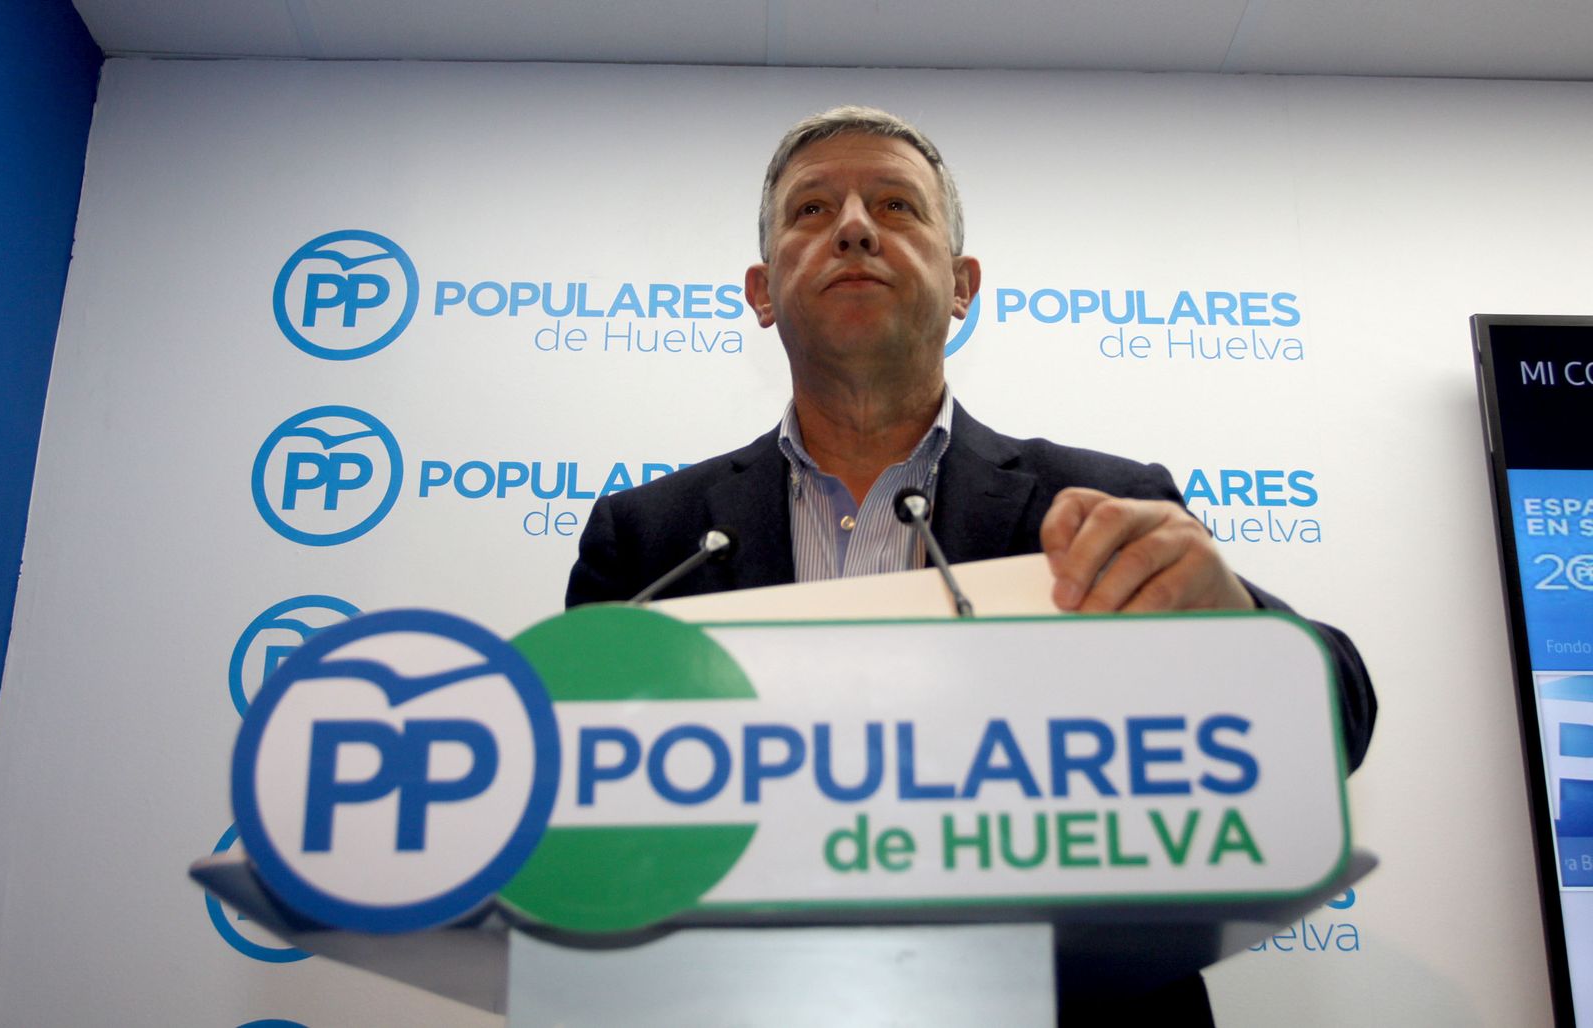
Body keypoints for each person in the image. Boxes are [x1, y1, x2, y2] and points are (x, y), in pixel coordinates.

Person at [566, 105, 1376, 1024]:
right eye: (812, 211)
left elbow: (1336, 725)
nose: (856, 227)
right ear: (761, 291)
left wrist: (1232, 629)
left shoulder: (1105, 502)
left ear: (962, 284)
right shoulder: (649, 538)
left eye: (898, 206)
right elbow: (580, 825)